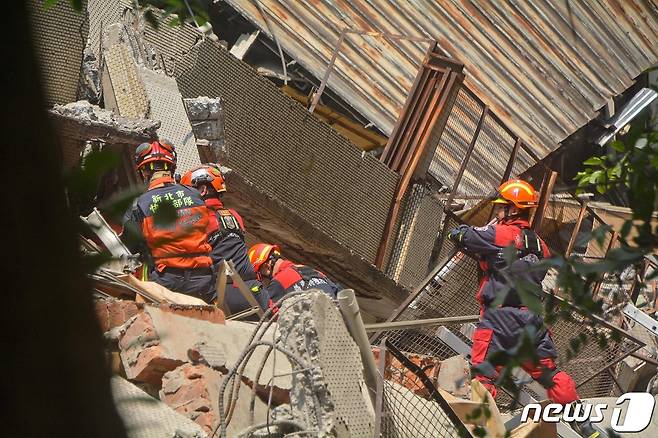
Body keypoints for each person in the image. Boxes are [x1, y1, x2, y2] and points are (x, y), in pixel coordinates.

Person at [448, 179, 599, 437]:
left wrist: (470, 232)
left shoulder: (501, 234)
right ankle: (586, 428)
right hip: (531, 320)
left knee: (484, 373)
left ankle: (480, 431)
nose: (497, 212)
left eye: (501, 208)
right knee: (550, 373)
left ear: (513, 209)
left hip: (499, 319)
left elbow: (463, 236)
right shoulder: (542, 246)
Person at [121, 140, 215, 303]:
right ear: (172, 168)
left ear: (144, 172)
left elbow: (129, 247)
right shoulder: (196, 196)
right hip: (203, 281)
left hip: (167, 282)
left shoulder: (139, 205)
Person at [180, 164, 270, 314]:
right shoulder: (235, 215)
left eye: (188, 194)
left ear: (202, 190)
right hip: (254, 290)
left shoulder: (198, 218)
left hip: (224, 295)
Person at [248, 243, 340, 301]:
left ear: (267, 267)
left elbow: (266, 313)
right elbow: (338, 293)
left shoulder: (279, 282)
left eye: (260, 277)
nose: (262, 283)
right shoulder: (314, 271)